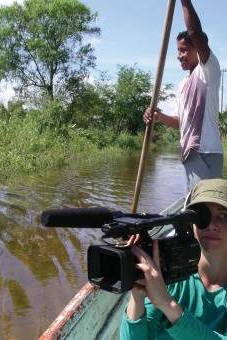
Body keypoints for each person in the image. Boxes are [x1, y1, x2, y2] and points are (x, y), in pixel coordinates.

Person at [120, 178, 227, 339]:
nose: (211, 224)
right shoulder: (170, 274)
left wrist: (167, 304)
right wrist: (137, 296)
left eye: (223, 215)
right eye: (202, 216)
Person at [144, 0, 223, 191]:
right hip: (189, 154)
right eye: (178, 50)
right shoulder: (182, 85)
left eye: (184, 49)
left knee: (202, 213)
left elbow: (195, 32)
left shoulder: (208, 70)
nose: (179, 55)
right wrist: (158, 117)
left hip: (206, 153)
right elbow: (181, 122)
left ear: (198, 48)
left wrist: (184, 1)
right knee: (194, 209)